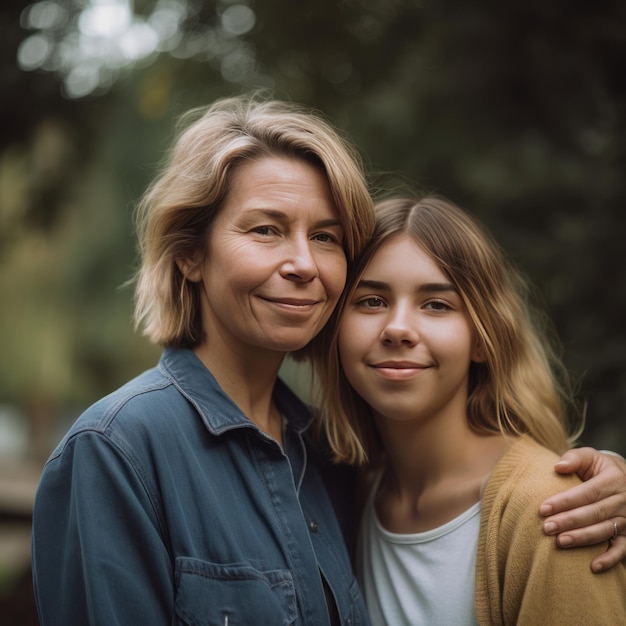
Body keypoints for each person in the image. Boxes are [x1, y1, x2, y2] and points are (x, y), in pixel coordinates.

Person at [31, 94, 625, 625]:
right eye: (265, 230)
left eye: (325, 236)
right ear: (191, 254)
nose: (303, 264)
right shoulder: (119, 451)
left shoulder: (334, 462)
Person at [313, 195, 626, 624]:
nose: (398, 328)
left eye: (436, 304)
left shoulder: (554, 510)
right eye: (371, 301)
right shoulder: (345, 489)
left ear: (482, 339)